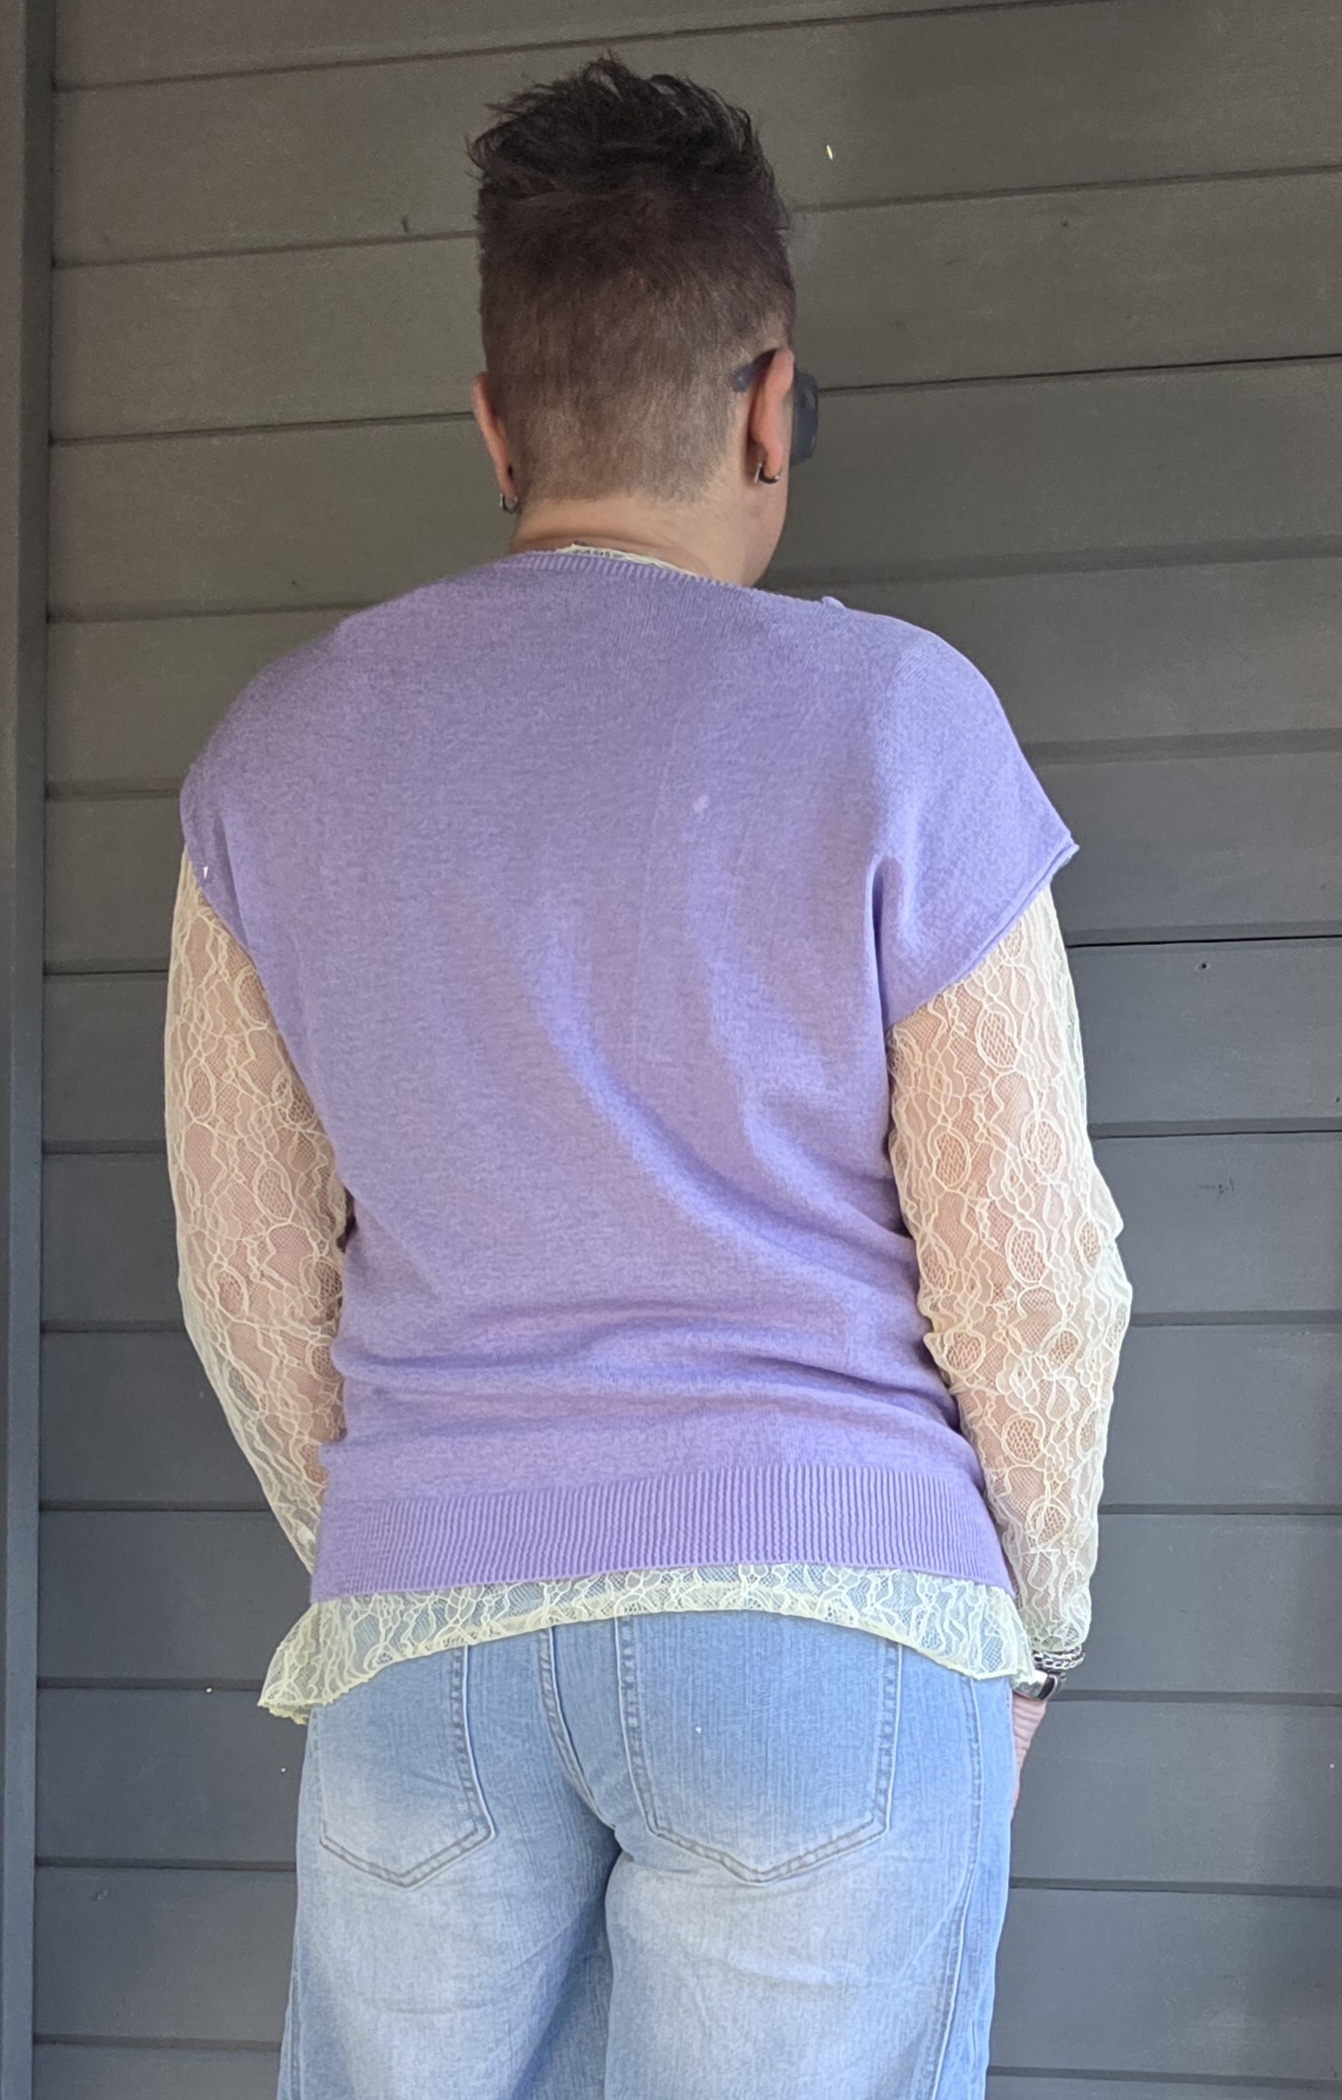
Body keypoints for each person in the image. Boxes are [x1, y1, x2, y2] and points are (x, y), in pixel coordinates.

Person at [163, 54, 1132, 2100]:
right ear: (769, 405)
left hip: (428, 1630)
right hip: (828, 1617)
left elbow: (245, 1278)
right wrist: (1027, 1624)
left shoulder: (270, 762)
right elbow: (1025, 1265)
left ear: (494, 422)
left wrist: (412, 1538)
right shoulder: (901, 724)